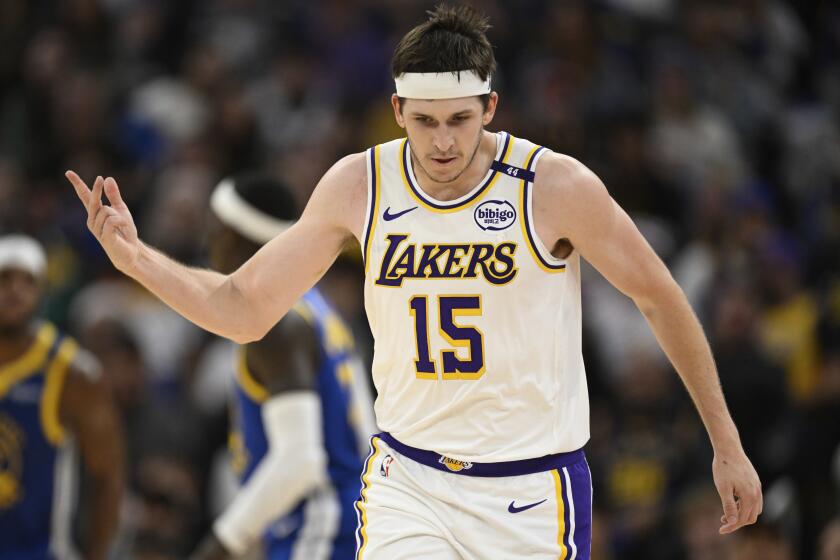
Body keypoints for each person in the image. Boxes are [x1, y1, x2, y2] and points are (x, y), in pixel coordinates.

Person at [66, 5, 762, 558]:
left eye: (460, 120)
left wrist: (725, 443)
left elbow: (658, 294)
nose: (442, 143)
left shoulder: (554, 187)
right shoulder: (359, 184)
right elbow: (245, 308)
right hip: (409, 481)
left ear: (491, 108)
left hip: (530, 488)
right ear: (397, 112)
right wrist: (138, 259)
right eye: (424, 122)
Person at [189, 174, 376, 560]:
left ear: (243, 242)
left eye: (218, 228)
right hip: (352, 524)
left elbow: (300, 461)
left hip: (322, 530)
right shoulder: (316, 308)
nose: (208, 241)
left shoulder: (278, 324)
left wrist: (221, 543)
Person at [0, 234, 123, 559]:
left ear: (43, 291)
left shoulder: (74, 373)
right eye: (4, 279)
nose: (14, 290)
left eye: (28, 281)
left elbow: (108, 478)